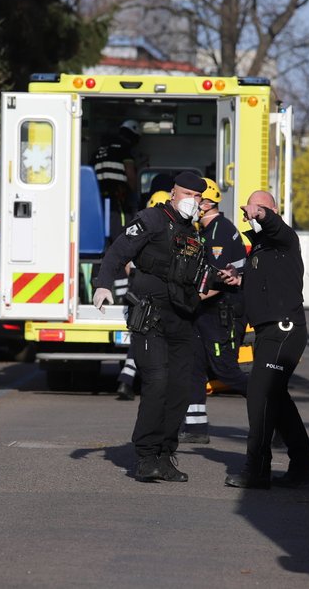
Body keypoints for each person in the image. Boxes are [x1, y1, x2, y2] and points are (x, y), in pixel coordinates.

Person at [92, 171, 206, 482]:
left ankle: (164, 454)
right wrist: (103, 285)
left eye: (197, 197)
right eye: (186, 194)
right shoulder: (152, 219)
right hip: (150, 315)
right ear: (173, 193)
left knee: (180, 388)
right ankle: (145, 456)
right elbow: (118, 250)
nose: (191, 201)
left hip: (182, 318)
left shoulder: (194, 231)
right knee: (157, 382)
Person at [219, 190, 309, 489]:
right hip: (269, 332)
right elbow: (266, 284)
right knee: (277, 400)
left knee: (260, 396)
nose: (253, 214)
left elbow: (276, 225)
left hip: (283, 331)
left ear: (274, 210)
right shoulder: (261, 247)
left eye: (261, 209)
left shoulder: (284, 239)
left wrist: (262, 213)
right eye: (251, 209)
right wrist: (238, 280)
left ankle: (257, 470)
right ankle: (304, 466)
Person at [179, 178, 249, 444]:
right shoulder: (206, 230)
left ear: (207, 203)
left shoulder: (219, 231)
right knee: (194, 366)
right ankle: (195, 427)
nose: (193, 203)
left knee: (225, 370)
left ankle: (275, 415)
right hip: (205, 313)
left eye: (197, 198)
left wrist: (186, 302)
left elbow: (218, 281)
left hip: (222, 312)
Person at [115, 189, 173, 401]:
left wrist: (123, 294)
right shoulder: (165, 235)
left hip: (134, 298)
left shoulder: (139, 231)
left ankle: (127, 379)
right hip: (149, 299)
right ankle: (130, 380)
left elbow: (124, 266)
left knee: (140, 340)